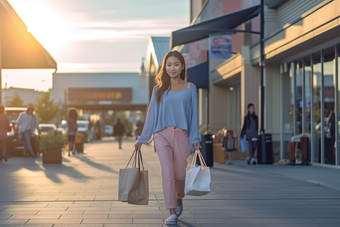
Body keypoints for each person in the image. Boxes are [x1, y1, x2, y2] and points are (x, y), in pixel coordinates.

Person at [134, 50, 201, 225]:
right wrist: (142, 139)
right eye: (169, 64)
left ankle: (179, 197)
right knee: (167, 172)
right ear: (165, 67)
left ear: (182, 67)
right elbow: (151, 116)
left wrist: (196, 139)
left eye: (176, 64)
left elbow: (194, 116)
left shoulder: (190, 88)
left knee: (179, 176)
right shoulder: (158, 90)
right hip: (161, 135)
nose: (172, 68)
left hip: (181, 135)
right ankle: (171, 211)